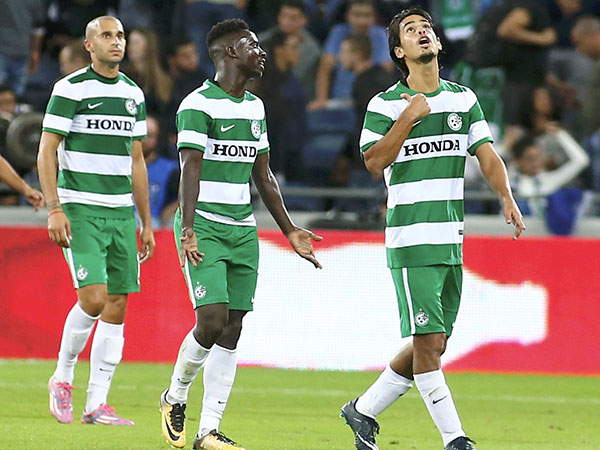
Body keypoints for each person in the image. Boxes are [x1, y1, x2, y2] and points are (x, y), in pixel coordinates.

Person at [339, 7, 525, 450]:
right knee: (427, 343)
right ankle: (455, 440)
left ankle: (362, 410)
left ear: (438, 43)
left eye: (426, 27)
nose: (422, 32)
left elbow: (486, 154)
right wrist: (408, 118)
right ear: (398, 52)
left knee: (434, 343)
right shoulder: (385, 104)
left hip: (450, 239)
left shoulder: (463, 99)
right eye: (410, 29)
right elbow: (373, 161)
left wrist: (506, 196)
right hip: (411, 238)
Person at [159, 18, 322, 450]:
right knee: (211, 320)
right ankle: (174, 396)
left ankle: (208, 430)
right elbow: (190, 168)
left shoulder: (255, 107)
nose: (261, 51)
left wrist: (289, 230)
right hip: (204, 225)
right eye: (253, 44)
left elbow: (263, 175)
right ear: (230, 52)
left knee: (233, 327)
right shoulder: (197, 104)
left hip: (243, 228)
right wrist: (188, 228)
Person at [37, 15, 155, 426]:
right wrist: (54, 207)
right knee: (93, 298)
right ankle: (62, 377)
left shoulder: (133, 94)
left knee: (118, 302)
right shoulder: (70, 89)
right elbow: (47, 149)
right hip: (80, 207)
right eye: (106, 35)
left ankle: (97, 403)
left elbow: (136, 159)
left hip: (121, 211)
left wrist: (146, 221)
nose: (116, 41)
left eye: (120, 35)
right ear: (89, 45)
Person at [309, 0, 394, 109]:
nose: (362, 21)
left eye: (367, 15)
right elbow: (326, 67)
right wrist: (321, 99)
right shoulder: (338, 32)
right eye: (357, 15)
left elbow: (385, 69)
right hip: (340, 98)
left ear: (374, 18)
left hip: (370, 98)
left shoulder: (382, 35)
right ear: (347, 16)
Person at [253, 30, 307, 184]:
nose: (298, 53)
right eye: (293, 48)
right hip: (274, 158)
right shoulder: (264, 84)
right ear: (279, 50)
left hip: (294, 153)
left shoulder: (293, 81)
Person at [258, 0, 321, 99]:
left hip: (297, 96)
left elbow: (295, 75)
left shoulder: (312, 50)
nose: (286, 21)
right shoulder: (262, 40)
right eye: (283, 16)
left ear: (303, 20)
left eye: (293, 18)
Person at [142, 115, 180, 227]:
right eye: (140, 135)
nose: (143, 140)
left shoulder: (170, 169)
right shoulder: (122, 166)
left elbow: (185, 197)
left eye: (149, 135)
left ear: (157, 139)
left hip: (156, 224)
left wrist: (169, 210)